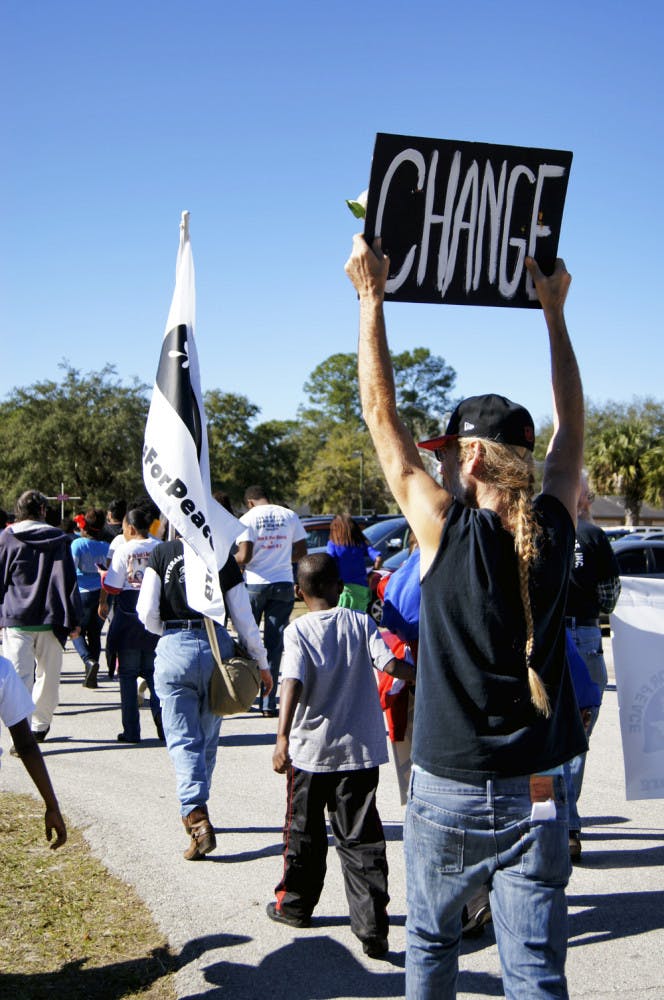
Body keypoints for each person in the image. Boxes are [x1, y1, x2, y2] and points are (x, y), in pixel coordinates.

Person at [345, 234, 586, 999]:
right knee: (538, 971)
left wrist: (370, 301)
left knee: (433, 946)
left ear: (474, 460)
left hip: (448, 785)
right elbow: (571, 429)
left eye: (450, 453)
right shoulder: (554, 522)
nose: (442, 464)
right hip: (542, 785)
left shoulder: (443, 528)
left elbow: (381, 418)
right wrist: (554, 316)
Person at [268, 552, 415, 958]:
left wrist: (282, 737)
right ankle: (372, 928)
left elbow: (291, 682)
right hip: (360, 752)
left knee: (303, 832)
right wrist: (424, 675)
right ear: (338, 587)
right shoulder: (361, 621)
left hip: (311, 753)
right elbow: (388, 663)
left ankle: (295, 906)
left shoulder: (297, 631)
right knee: (362, 839)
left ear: (299, 592)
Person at [137, 535, 272, 860]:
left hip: (174, 645)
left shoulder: (163, 552)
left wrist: (171, 635)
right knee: (208, 738)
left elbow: (146, 610)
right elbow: (243, 616)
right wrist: (262, 663)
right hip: (216, 646)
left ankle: (196, 816)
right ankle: (198, 806)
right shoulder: (222, 555)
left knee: (184, 740)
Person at [564, 473, 621, 860]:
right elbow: (609, 595)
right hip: (583, 636)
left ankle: (554, 819)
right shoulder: (594, 536)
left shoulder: (534, 528)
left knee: (545, 731)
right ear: (584, 497)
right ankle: (567, 822)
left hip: (544, 639)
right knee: (580, 730)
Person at [0, 490, 82, 743]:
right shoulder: (60, 538)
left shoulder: (7, 538)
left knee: (18, 677)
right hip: (52, 617)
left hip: (16, 619)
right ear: (44, 511)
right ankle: (40, 726)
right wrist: (75, 618)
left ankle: (20, 732)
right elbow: (70, 581)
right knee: (49, 677)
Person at [235, 485, 307, 717]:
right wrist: (281, 557)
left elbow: (244, 556)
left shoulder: (247, 518)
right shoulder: (289, 515)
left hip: (255, 584)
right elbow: (301, 551)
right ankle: (269, 703)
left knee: (248, 641)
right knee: (275, 645)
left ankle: (245, 696)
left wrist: (230, 559)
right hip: (283, 583)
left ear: (249, 502)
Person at [101, 509, 163, 743]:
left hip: (129, 617)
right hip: (155, 618)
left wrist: (103, 576)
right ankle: (163, 725)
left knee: (127, 676)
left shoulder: (124, 549)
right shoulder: (160, 547)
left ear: (131, 528)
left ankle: (131, 730)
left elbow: (114, 586)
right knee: (155, 675)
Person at [1, 654, 67, 848]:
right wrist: (52, 805)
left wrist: (52, 805)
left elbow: (26, 745)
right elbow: (25, 744)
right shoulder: (2, 669)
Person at [70, 508, 110, 688]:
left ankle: (88, 661)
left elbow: (71, 569)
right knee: (94, 633)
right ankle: (91, 673)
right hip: (102, 593)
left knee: (75, 630)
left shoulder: (78, 544)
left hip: (82, 593)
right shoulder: (106, 547)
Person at [325, 513, 382, 610]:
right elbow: (378, 558)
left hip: (343, 590)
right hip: (362, 590)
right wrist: (372, 574)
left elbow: (328, 562)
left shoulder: (333, 544)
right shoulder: (361, 543)